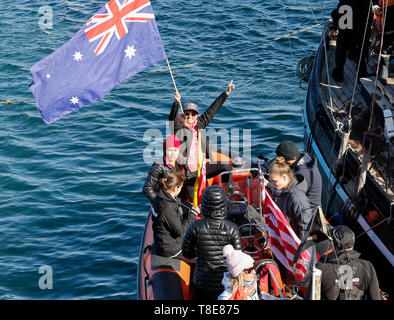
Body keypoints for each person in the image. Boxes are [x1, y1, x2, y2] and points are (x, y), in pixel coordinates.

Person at [168, 81, 235, 186]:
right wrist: (176, 103)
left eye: (193, 114)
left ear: (196, 115)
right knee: (193, 200)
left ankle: (229, 192)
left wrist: (226, 93)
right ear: (183, 115)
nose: (190, 116)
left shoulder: (200, 124)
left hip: (202, 168)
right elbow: (172, 118)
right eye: (187, 114)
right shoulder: (179, 129)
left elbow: (212, 110)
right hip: (189, 173)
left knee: (226, 166)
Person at [182, 185, 242, 300]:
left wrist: (200, 251)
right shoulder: (232, 228)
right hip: (226, 282)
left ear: (204, 205)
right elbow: (237, 259)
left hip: (202, 281)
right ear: (224, 205)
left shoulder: (195, 226)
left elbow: (187, 253)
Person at [316, 225, 381, 300]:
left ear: (333, 245)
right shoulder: (368, 267)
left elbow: (312, 296)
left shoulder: (321, 267)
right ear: (353, 244)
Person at [151, 172, 199, 259]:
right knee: (202, 254)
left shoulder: (159, 197)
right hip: (171, 249)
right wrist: (193, 214)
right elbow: (181, 232)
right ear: (175, 188)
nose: (181, 190)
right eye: (180, 188)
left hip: (162, 241)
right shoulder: (167, 208)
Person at [266, 157, 314, 240]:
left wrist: (299, 250)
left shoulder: (297, 198)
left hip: (296, 244)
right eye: (271, 181)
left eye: (274, 181)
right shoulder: (282, 190)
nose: (273, 184)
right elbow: (278, 192)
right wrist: (268, 184)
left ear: (284, 177)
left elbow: (306, 228)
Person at [332, 0, 378, 82]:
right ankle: (361, 72)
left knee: (342, 42)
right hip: (362, 10)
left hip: (345, 9)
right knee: (362, 42)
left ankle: (338, 72)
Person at [275, 140, 322, 210]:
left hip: (308, 211)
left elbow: (286, 192)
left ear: (293, 159)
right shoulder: (303, 156)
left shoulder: (302, 174)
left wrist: (269, 185)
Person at [143, 135, 187, 203]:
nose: (173, 154)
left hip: (178, 199)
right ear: (165, 150)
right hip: (165, 203)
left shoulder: (181, 163)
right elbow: (147, 188)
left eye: (175, 150)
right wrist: (161, 202)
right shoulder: (158, 166)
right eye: (170, 150)